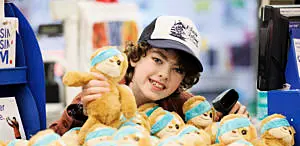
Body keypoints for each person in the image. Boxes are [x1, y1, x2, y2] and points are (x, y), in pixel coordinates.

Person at [50, 15, 248, 135]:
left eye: (177, 69)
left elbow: (211, 129)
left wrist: (231, 121)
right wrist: (81, 111)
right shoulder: (104, 91)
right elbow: (55, 139)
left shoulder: (181, 103)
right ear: (136, 57)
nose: (164, 74)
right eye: (158, 60)